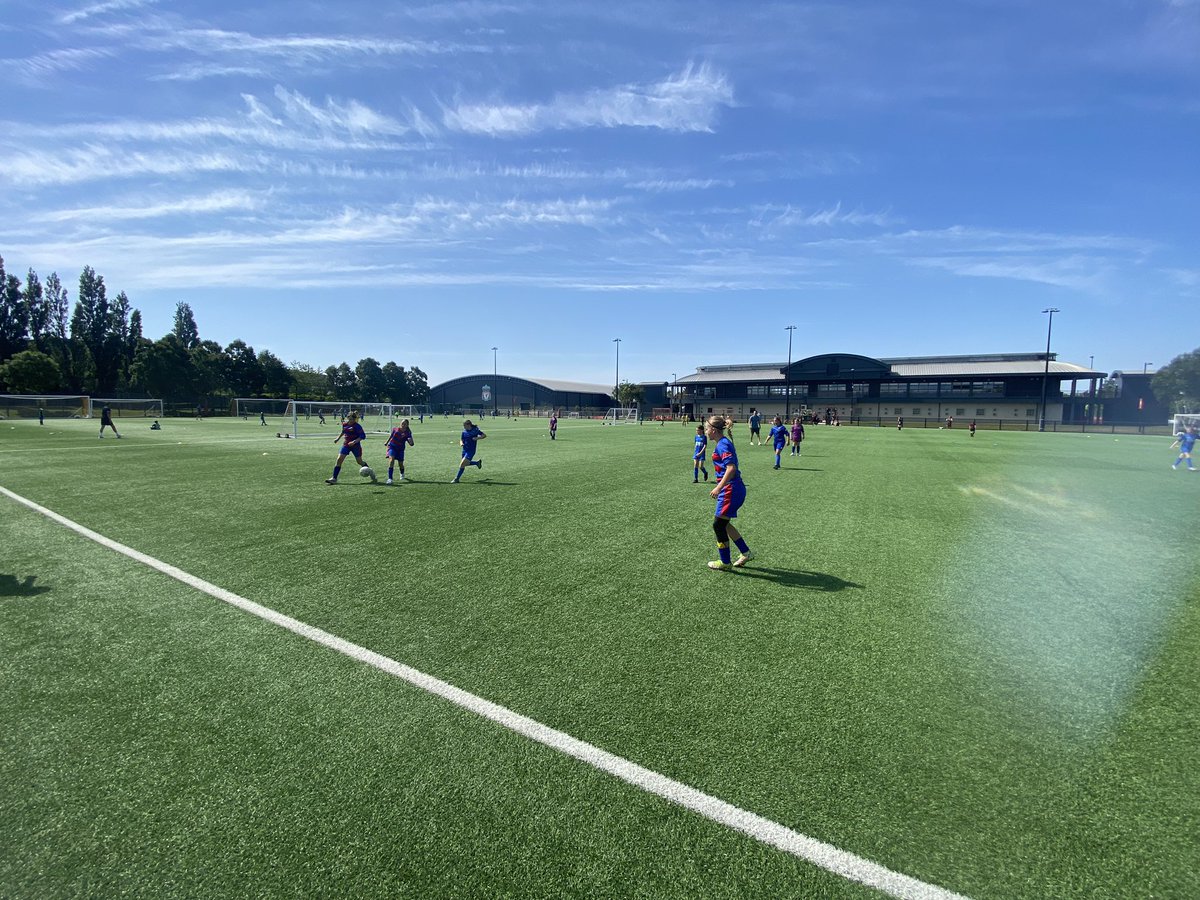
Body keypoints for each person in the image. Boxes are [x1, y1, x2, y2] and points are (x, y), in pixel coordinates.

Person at [705, 415, 753, 570]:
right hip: (733, 488)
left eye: (707, 428)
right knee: (723, 524)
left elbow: (731, 468)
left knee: (718, 525)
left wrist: (719, 487)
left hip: (731, 489)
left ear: (713, 430)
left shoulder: (723, 444)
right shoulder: (722, 442)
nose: (706, 431)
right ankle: (745, 552)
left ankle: (725, 562)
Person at [325, 411, 375, 484]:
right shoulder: (345, 424)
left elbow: (363, 436)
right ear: (347, 418)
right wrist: (337, 439)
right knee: (339, 459)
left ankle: (370, 472)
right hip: (346, 445)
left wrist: (354, 442)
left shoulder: (357, 426)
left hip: (356, 446)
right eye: (350, 419)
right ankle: (334, 478)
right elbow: (343, 432)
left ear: (355, 419)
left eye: (352, 419)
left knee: (359, 462)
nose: (351, 421)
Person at [384, 418, 415, 484]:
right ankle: (390, 478)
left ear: (407, 425)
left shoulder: (407, 433)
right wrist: (387, 442)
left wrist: (410, 441)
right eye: (402, 423)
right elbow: (391, 436)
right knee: (391, 460)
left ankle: (402, 473)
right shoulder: (395, 429)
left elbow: (411, 444)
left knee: (400, 464)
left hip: (400, 449)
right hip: (392, 447)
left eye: (404, 424)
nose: (403, 425)